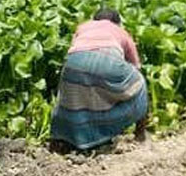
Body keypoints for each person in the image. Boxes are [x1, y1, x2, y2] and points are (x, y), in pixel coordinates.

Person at [50, 8, 148, 151]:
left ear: (94, 20)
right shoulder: (120, 31)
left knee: (72, 99)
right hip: (107, 60)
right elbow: (135, 65)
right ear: (117, 22)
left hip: (73, 63)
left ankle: (61, 140)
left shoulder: (82, 27)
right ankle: (140, 134)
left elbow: (75, 48)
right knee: (139, 83)